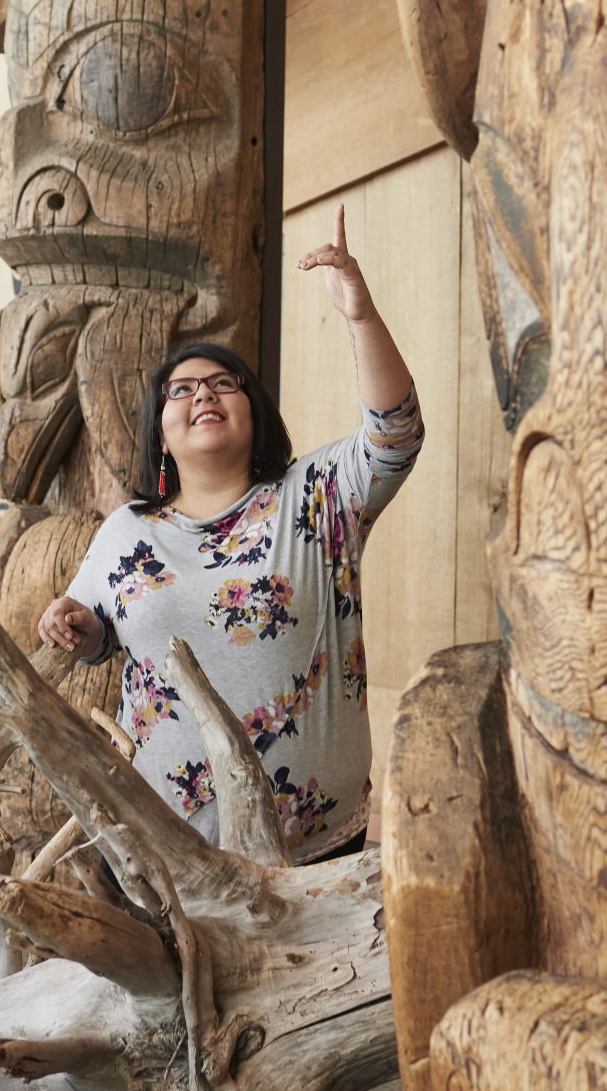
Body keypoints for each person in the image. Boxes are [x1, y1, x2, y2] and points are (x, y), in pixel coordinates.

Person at [39, 206, 421, 862]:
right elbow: (95, 634)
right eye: (180, 390)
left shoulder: (317, 494)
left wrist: (360, 316)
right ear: (159, 431)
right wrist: (72, 624)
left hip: (315, 850)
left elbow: (395, 436)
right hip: (162, 847)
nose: (203, 395)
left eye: (223, 383)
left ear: (255, 411)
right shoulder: (126, 531)